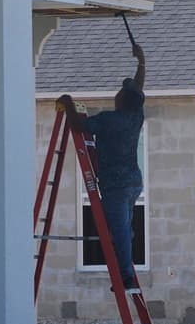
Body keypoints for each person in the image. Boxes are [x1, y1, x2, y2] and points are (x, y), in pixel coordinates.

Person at [58, 41, 146, 289]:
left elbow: (78, 126)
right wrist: (141, 61)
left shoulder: (109, 120)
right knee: (124, 228)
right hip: (133, 182)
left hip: (115, 186)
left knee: (119, 231)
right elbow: (138, 89)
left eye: (120, 92)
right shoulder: (136, 116)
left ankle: (127, 277)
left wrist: (68, 104)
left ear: (121, 100)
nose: (117, 93)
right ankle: (127, 268)